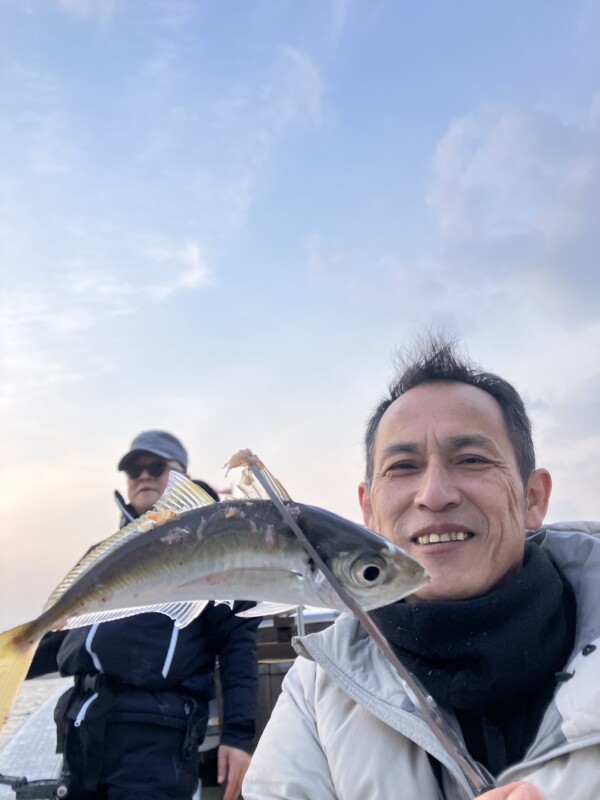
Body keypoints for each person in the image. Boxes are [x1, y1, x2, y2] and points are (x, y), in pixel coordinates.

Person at [242, 336, 600, 800]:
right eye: (404, 466)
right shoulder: (317, 688)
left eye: (471, 460)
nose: (434, 494)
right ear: (368, 511)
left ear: (533, 498)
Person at [29, 430, 260, 800]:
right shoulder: (100, 554)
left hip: (156, 741)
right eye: (134, 469)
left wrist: (238, 736)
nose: (144, 476)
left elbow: (238, 641)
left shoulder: (215, 545)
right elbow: (65, 635)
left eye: (157, 467)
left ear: (182, 476)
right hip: (82, 730)